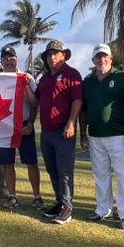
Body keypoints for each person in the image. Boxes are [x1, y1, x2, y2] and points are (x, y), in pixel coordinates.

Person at [79, 44, 124, 229]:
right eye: (98, 57)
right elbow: (84, 110)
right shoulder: (88, 81)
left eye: (105, 57)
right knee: (100, 174)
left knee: (123, 175)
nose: (101, 60)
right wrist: (83, 133)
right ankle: (103, 209)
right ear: (93, 60)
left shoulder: (122, 78)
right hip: (95, 136)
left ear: (111, 59)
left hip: (119, 135)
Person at [35, 39, 83, 225]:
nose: (52, 57)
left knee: (64, 170)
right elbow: (35, 100)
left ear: (64, 56)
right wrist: (22, 86)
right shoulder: (45, 78)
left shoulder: (72, 74)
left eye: (56, 54)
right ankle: (58, 201)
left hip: (63, 131)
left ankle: (67, 207)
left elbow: (77, 101)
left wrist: (71, 123)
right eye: (49, 55)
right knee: (52, 168)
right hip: (46, 132)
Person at [0, 44, 43, 211]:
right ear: (1, 61)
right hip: (4, 127)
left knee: (31, 162)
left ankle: (37, 196)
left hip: (24, 126)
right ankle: (12, 195)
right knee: (7, 163)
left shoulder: (26, 77)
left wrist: (27, 85)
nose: (9, 61)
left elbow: (35, 104)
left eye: (11, 58)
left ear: (17, 59)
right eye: (5, 58)